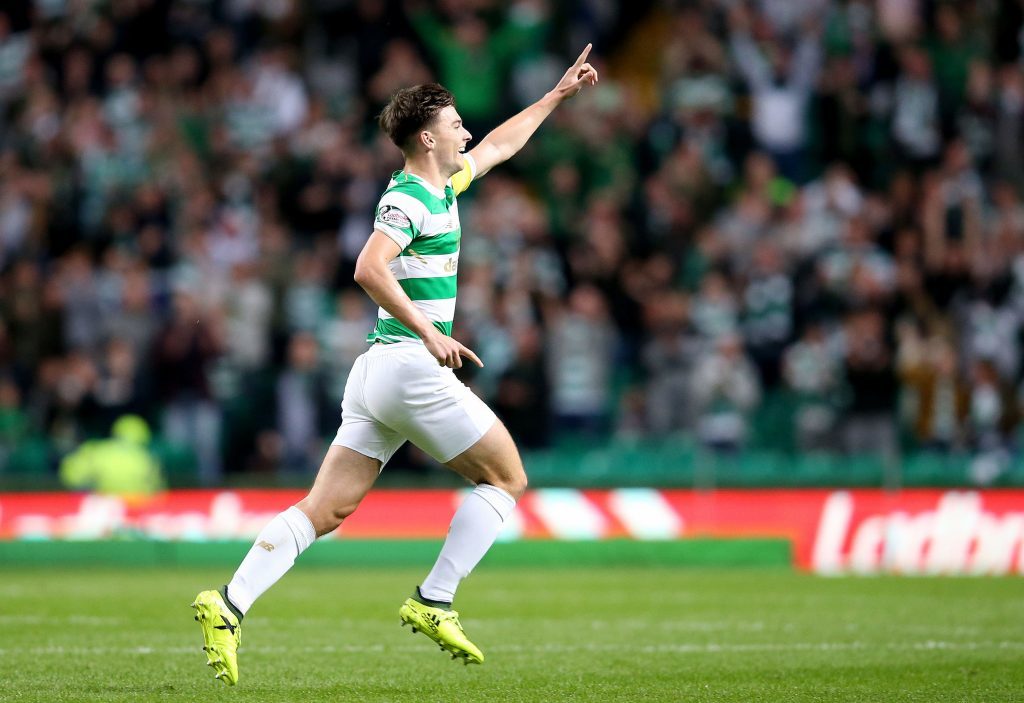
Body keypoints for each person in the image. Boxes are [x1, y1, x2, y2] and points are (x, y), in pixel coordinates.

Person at [191, 45, 599, 685]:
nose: (466, 129)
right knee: (507, 479)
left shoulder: (444, 182)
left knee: (325, 510)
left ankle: (228, 603)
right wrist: (431, 334)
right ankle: (435, 598)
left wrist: (555, 96)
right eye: (456, 121)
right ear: (428, 136)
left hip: (377, 372)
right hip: (409, 365)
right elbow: (367, 267)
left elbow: (497, 147)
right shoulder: (410, 199)